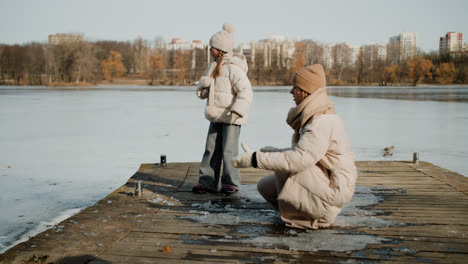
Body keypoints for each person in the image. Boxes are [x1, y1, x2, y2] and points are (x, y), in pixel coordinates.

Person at [233, 64, 357, 229]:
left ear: (306, 91)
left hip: (335, 189)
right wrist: (270, 153)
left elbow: (300, 160)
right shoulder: (313, 117)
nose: (291, 92)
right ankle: (302, 214)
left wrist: (256, 159)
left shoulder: (322, 122)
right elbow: (303, 153)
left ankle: (320, 217)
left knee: (286, 170)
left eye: (295, 88)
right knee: (266, 186)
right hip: (325, 182)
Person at [193, 22, 253, 195]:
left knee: (229, 150)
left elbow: (246, 91)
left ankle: (230, 182)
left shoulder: (235, 69)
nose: (210, 49)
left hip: (231, 116)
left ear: (221, 49)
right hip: (216, 114)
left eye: (212, 46)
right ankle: (207, 182)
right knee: (211, 149)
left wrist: (237, 110)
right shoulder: (213, 67)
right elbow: (209, 91)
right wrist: (203, 88)